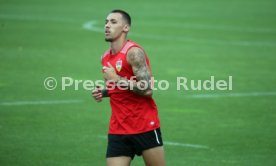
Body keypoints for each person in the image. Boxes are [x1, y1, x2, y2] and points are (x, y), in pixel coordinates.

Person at [92, 9, 165, 166]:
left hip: (144, 125)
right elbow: (118, 89)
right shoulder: (105, 57)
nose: (107, 26)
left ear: (126, 28)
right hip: (118, 128)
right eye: (106, 22)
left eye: (113, 22)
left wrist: (117, 79)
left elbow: (146, 89)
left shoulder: (134, 53)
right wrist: (103, 92)